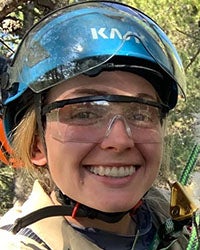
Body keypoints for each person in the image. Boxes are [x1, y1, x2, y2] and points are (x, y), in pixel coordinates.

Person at [0, 1, 196, 249]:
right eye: (84, 113)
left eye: (141, 113)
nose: (120, 140)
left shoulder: (179, 224)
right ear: (37, 144)